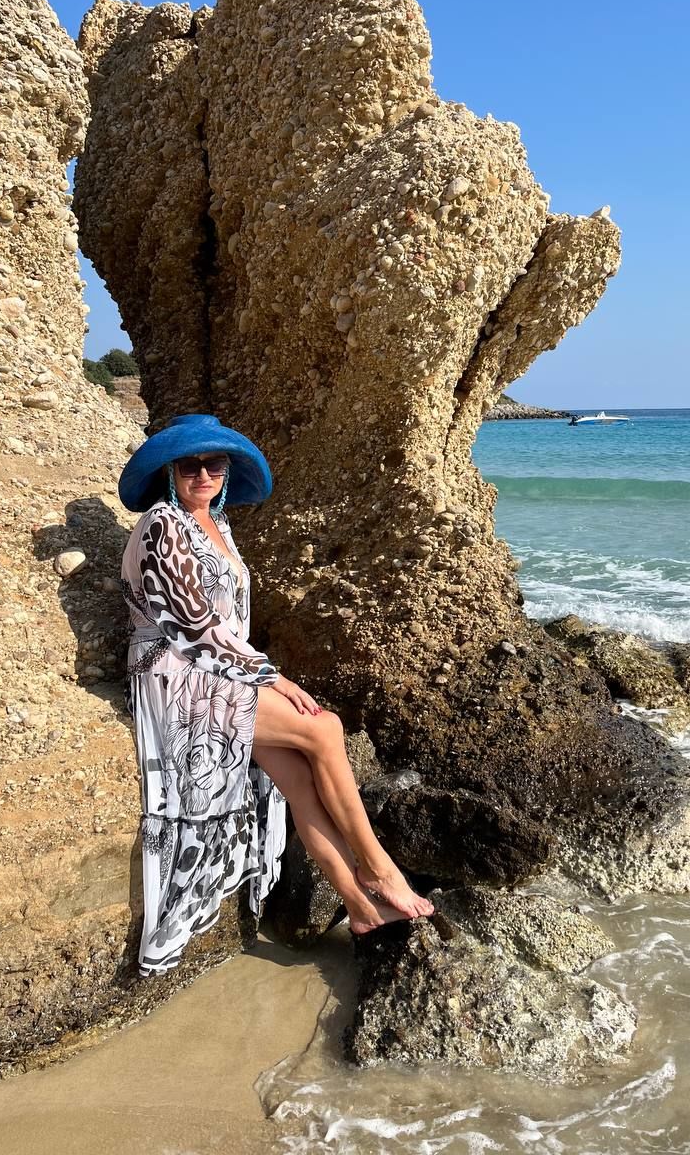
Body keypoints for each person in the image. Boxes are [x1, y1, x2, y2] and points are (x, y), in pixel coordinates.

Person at [119, 413, 433, 975]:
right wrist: (274, 678)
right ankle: (378, 867)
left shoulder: (216, 523)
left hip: (221, 671)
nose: (203, 474)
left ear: (226, 471)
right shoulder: (162, 524)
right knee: (325, 728)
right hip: (176, 672)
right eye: (189, 465)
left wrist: (255, 673)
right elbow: (194, 626)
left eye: (214, 464)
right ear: (169, 471)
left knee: (302, 780)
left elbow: (230, 620)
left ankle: (360, 906)